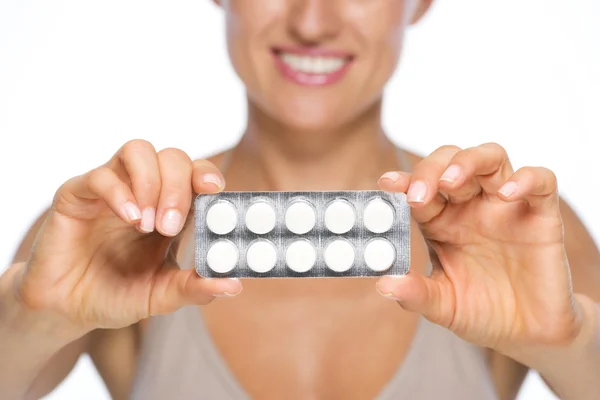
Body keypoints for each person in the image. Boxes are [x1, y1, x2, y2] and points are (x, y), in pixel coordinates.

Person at [1, 0, 599, 399]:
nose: (312, 22)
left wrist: (573, 346)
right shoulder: (111, 234)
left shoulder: (519, 233)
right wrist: (28, 316)